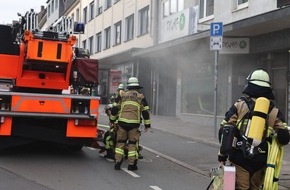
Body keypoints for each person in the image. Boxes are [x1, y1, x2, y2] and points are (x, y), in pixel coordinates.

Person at [218, 68, 290, 189]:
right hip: (261, 160)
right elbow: (284, 137)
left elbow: (225, 131)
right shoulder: (273, 111)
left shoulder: (239, 105)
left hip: (239, 157)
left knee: (240, 187)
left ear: (250, 85)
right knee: (255, 187)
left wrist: (222, 156)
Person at [110, 77, 151, 171]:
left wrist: (112, 121)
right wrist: (147, 125)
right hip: (134, 124)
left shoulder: (122, 94)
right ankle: (131, 165)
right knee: (132, 144)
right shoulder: (141, 96)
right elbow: (145, 112)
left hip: (122, 123)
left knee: (120, 143)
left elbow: (114, 109)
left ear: (128, 86)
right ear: (137, 87)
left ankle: (117, 163)